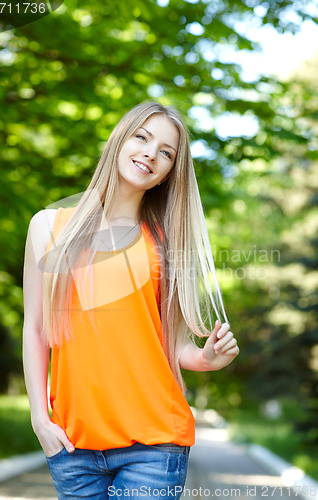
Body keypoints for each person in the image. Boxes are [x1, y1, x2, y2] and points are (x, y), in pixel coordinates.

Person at [22, 100, 239, 500]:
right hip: (72, 447)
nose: (150, 154)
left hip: (154, 447)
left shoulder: (165, 244)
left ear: (166, 175)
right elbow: (35, 329)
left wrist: (206, 359)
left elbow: (173, 345)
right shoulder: (46, 226)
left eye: (166, 153)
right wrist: (40, 418)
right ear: (119, 139)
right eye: (142, 137)